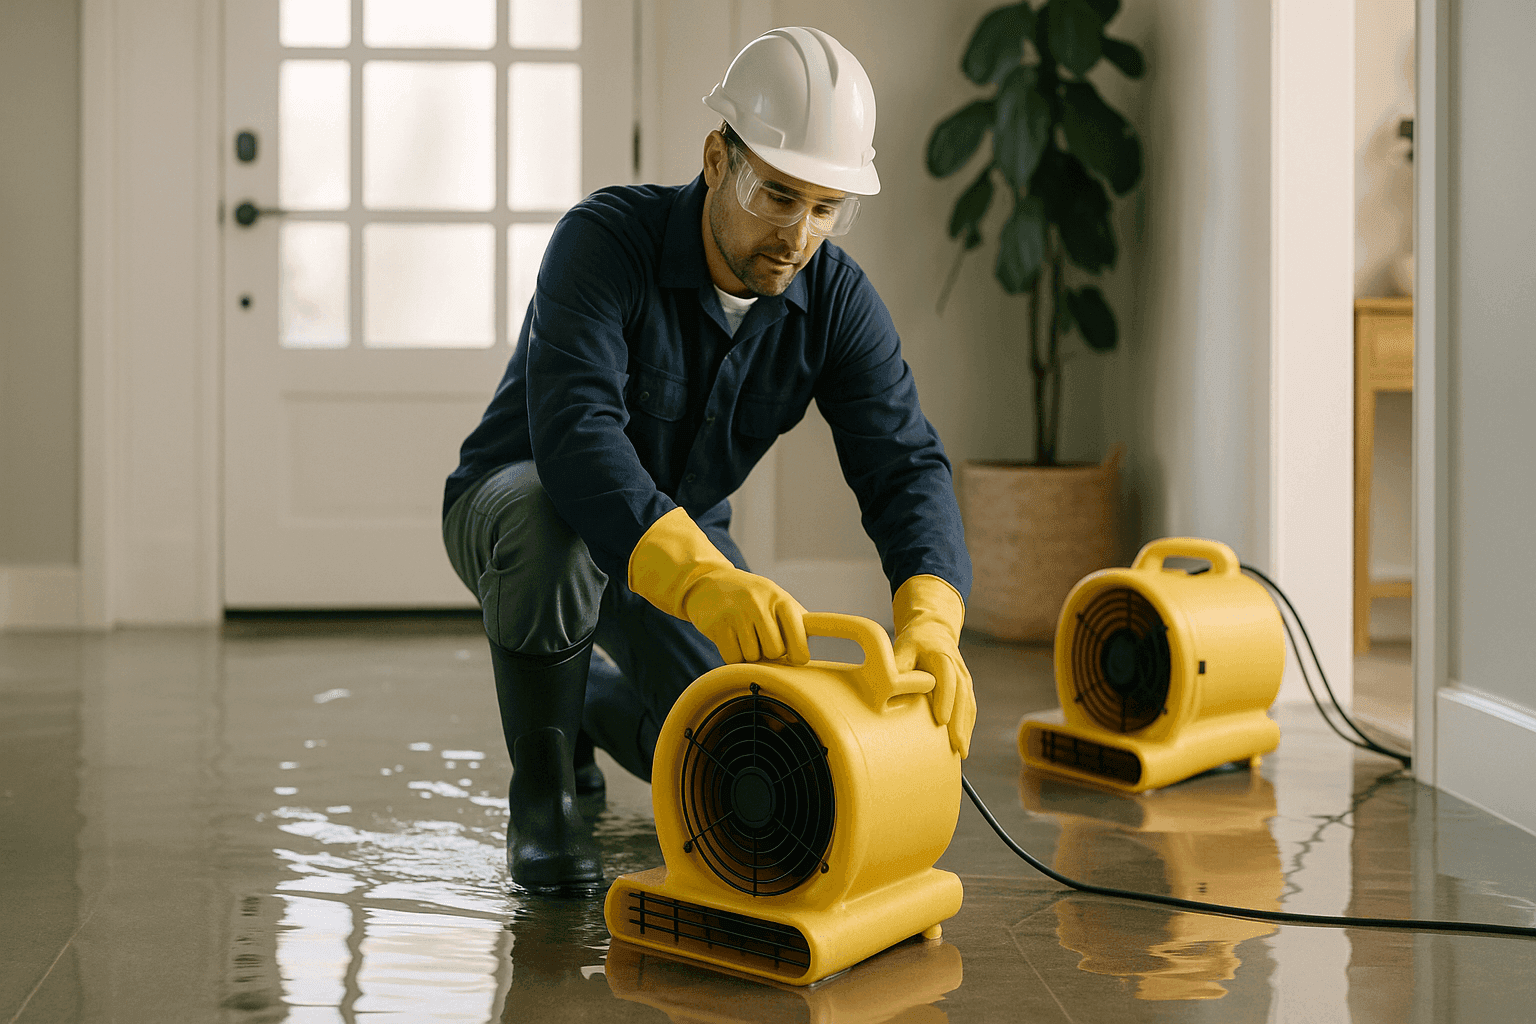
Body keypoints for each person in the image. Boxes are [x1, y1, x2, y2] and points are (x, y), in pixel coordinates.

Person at [443, 26, 976, 893]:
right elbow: (577, 438)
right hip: (526, 509)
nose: (800, 234)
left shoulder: (836, 303)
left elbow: (905, 465)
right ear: (718, 156)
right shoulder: (604, 241)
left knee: (731, 759)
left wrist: (934, 620)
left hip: (681, 544)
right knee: (548, 526)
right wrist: (706, 582)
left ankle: (573, 705)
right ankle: (542, 798)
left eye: (826, 207)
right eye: (778, 196)